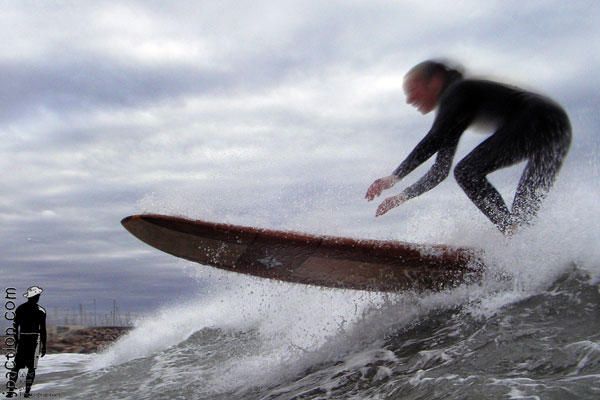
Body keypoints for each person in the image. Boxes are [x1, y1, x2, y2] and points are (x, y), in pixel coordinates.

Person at [365, 60, 571, 235]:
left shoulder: (458, 91)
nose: (409, 99)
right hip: (558, 128)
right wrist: (403, 196)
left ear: (435, 81)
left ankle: (510, 232)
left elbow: (433, 140)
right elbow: (440, 170)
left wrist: (393, 177)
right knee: (522, 215)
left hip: (539, 119)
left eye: (412, 90)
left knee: (467, 172)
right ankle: (524, 248)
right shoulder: (457, 111)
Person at [6, 286, 47, 398]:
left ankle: (10, 391)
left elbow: (15, 327)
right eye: (38, 296)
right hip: (35, 339)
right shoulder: (41, 311)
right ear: (36, 297)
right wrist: (44, 346)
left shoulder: (20, 309)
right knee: (31, 368)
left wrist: (16, 340)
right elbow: (43, 329)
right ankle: (27, 392)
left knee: (16, 367)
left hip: (23, 338)